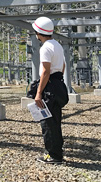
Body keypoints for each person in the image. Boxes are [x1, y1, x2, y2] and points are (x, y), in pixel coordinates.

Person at [32, 16, 68, 164]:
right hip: (58, 84)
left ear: (39, 32)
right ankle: (57, 153)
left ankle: (52, 155)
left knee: (47, 122)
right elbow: (63, 65)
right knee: (56, 121)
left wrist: (39, 93)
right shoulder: (57, 45)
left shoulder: (45, 47)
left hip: (50, 86)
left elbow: (45, 72)